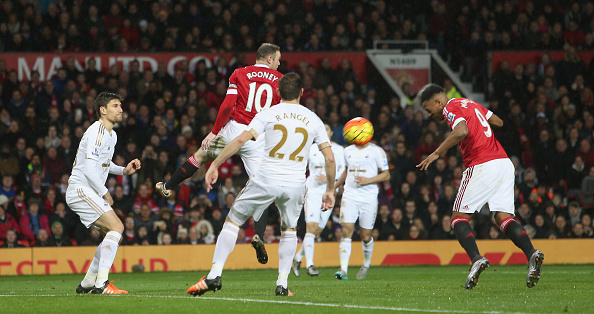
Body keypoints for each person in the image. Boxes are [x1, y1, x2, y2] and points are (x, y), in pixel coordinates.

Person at [186, 73, 335, 297]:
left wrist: (215, 163)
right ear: (302, 93)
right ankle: (283, 284)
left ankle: (215, 274)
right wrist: (330, 190)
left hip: (266, 178)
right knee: (289, 229)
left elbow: (239, 140)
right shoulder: (313, 119)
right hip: (296, 183)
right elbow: (330, 159)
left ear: (277, 92)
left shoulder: (269, 113)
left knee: (233, 220)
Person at [156, 43, 283, 264]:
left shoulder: (239, 73)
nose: (280, 63)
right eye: (279, 59)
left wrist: (214, 132)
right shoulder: (280, 80)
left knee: (201, 156)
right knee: (261, 187)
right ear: (270, 59)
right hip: (257, 137)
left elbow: (227, 105)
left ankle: (167, 187)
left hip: (234, 130)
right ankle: (258, 235)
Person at [416, 84, 544, 289]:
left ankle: (476, 258)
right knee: (503, 218)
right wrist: (478, 123)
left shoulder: (450, 107)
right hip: (503, 163)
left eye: (428, 108)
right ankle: (532, 254)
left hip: (481, 164)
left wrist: (436, 153)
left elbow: (461, 131)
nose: (429, 114)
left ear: (439, 101)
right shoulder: (471, 104)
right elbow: (498, 121)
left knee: (458, 218)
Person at [66, 92, 141, 295]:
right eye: (116, 105)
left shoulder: (111, 134)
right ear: (103, 110)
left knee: (111, 233)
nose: (121, 110)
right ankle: (102, 284)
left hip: (87, 190)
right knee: (117, 226)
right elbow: (89, 171)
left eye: (120, 105)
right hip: (81, 189)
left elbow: (103, 165)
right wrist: (105, 192)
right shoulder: (97, 131)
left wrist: (124, 170)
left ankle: (89, 282)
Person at [333, 129, 391, 281]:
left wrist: (367, 180)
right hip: (350, 195)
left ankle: (366, 263)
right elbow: (347, 171)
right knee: (346, 230)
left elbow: (386, 174)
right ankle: (343, 269)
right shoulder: (347, 151)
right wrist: (335, 186)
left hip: (369, 197)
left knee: (365, 236)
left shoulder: (377, 151)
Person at [293, 122, 346, 277]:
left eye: (327, 129)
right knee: (311, 227)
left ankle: (297, 258)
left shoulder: (339, 150)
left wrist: (330, 179)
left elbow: (343, 171)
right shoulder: (311, 148)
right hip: (313, 191)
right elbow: (301, 166)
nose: (324, 131)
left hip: (329, 191)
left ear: (330, 133)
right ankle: (310, 265)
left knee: (317, 231)